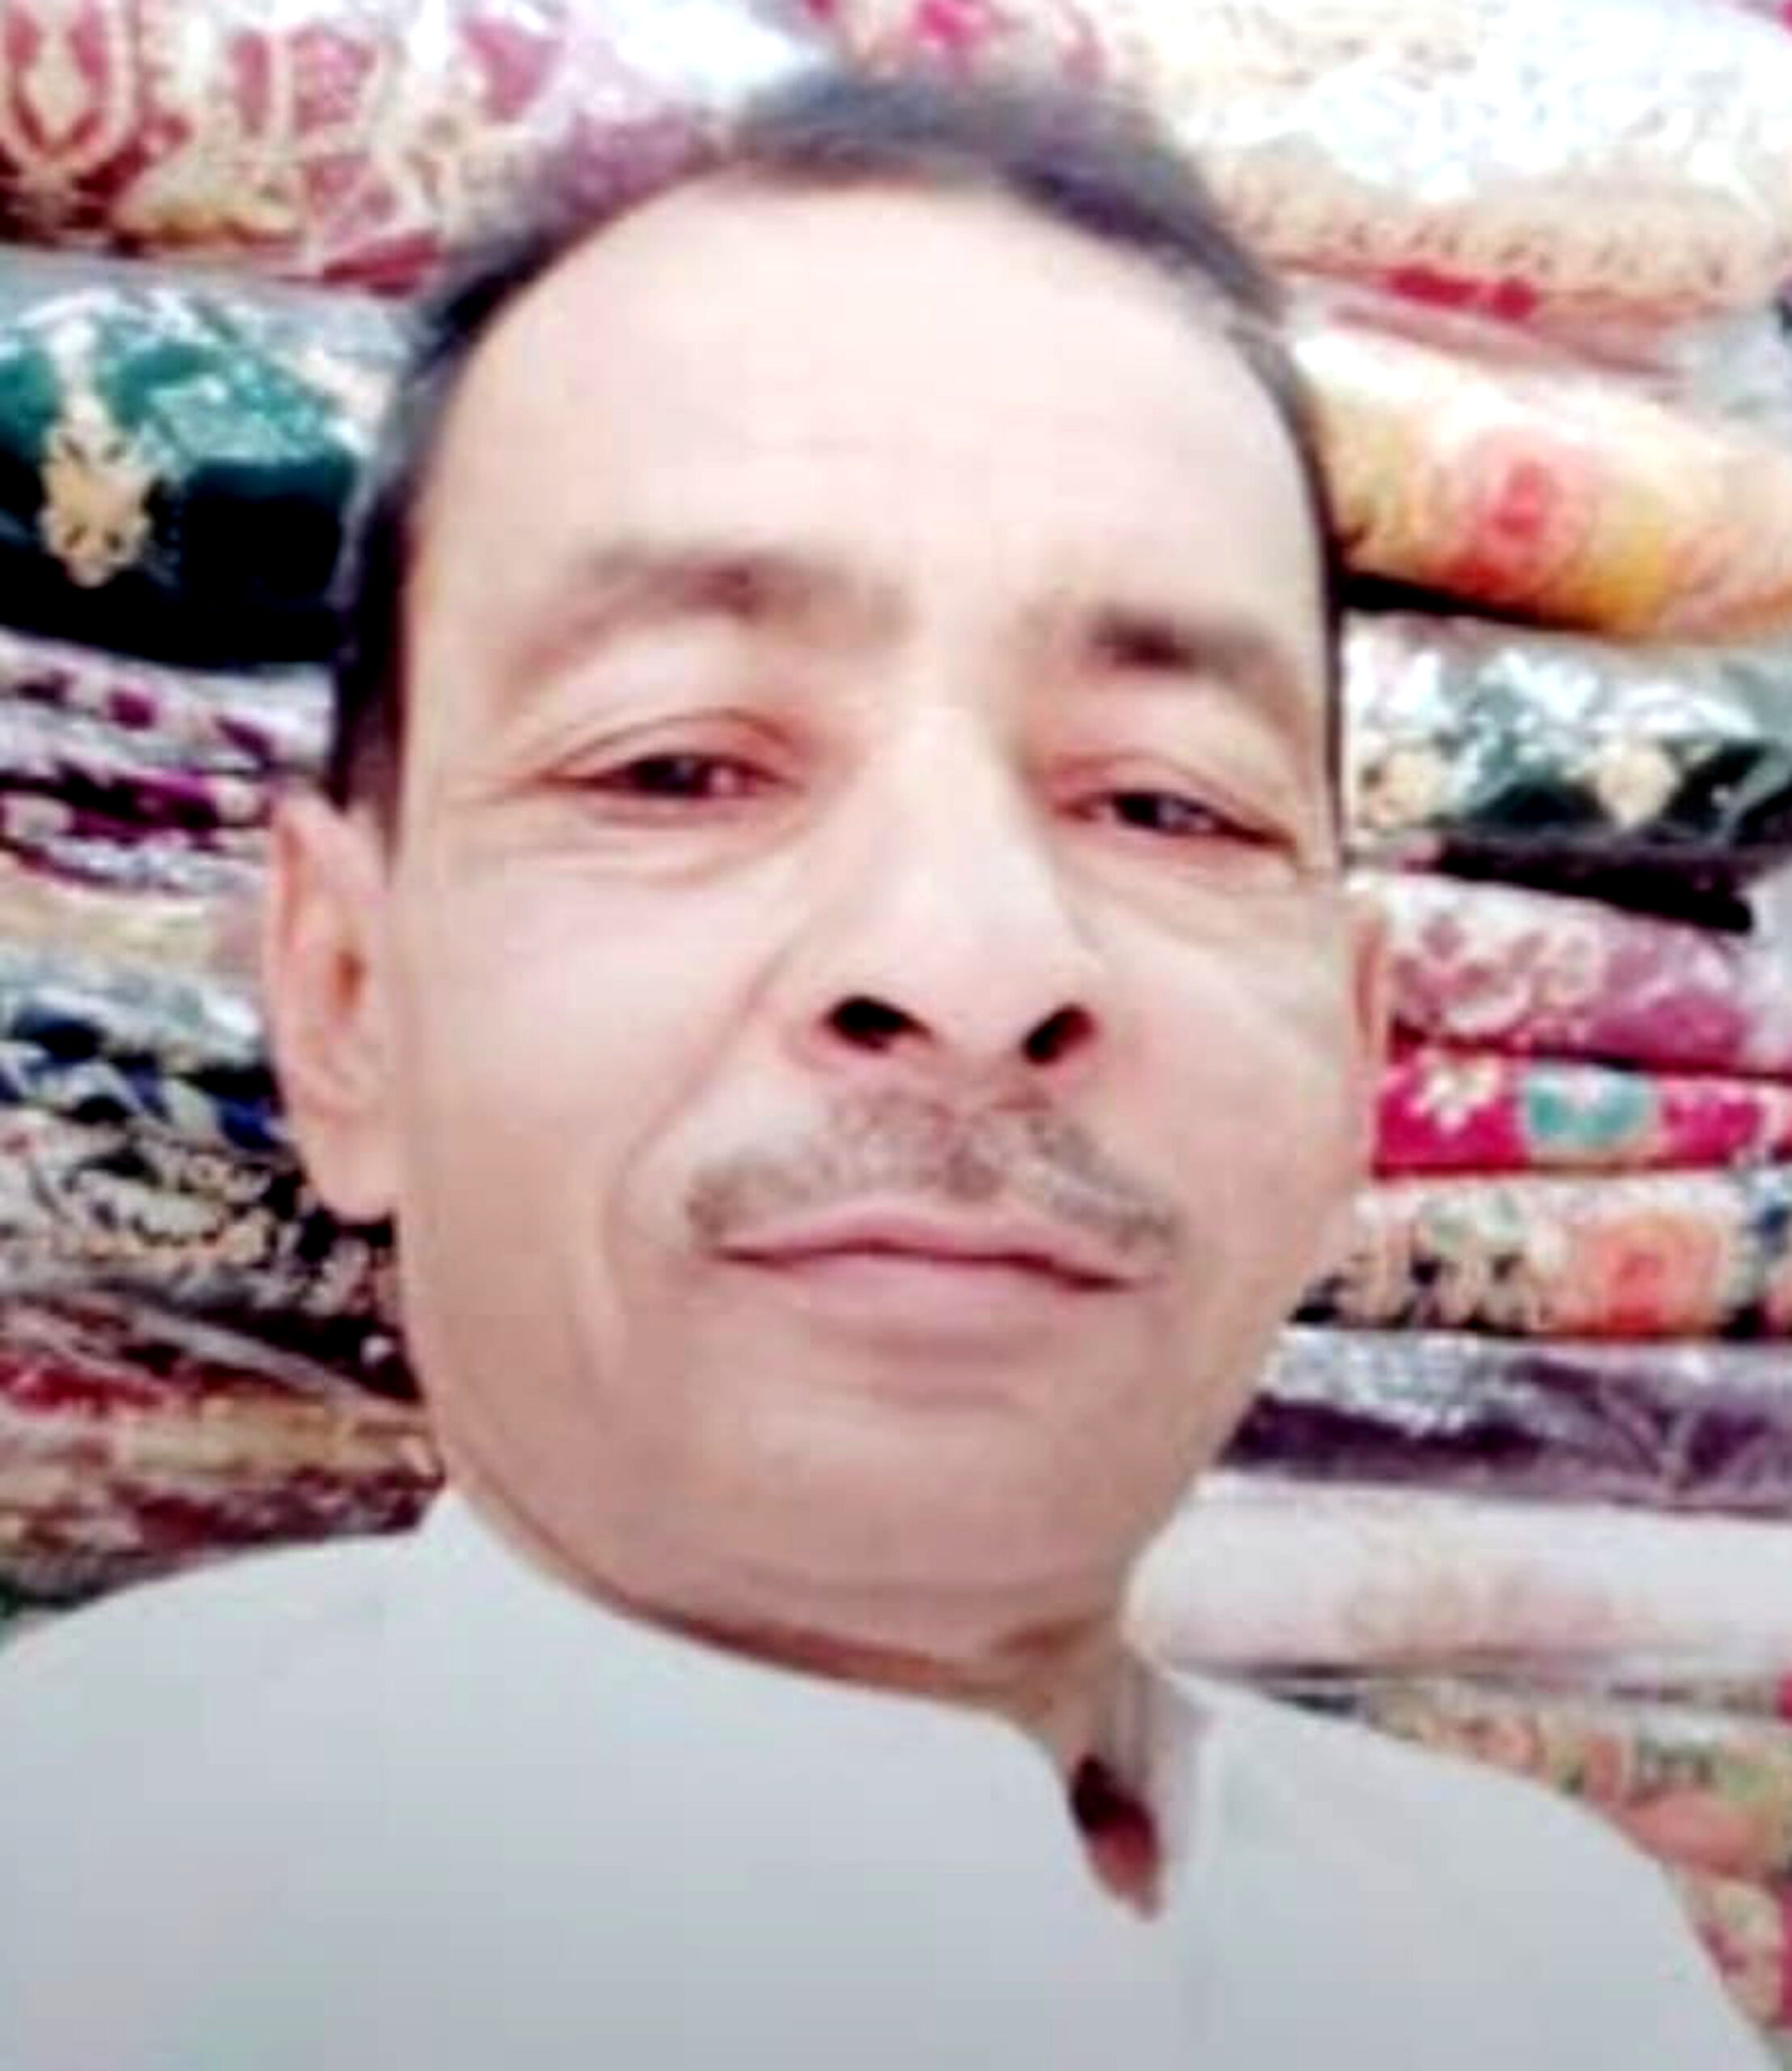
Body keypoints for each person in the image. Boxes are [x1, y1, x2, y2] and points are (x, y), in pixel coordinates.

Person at [0, 70, 1770, 2070]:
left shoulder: (1557, 1972)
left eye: (1166, 803)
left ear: (1356, 1060)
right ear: (345, 1002)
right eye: (679, 764)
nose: (968, 960)